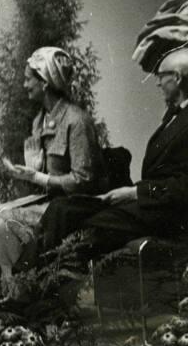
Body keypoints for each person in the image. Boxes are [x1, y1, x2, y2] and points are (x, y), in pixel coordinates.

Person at [0, 47, 106, 278]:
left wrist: (39, 176)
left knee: (3, 224)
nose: (24, 84)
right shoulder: (40, 121)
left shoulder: (76, 121)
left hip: (73, 207)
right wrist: (29, 171)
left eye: (28, 79)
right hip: (50, 202)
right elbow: (40, 183)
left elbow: (84, 180)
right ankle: (11, 284)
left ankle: (27, 284)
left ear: (45, 82)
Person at [68, 47, 188, 258]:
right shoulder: (174, 115)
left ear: (177, 78)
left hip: (172, 214)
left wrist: (134, 193)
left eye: (160, 76)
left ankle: (42, 284)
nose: (157, 83)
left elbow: (183, 185)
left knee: (91, 227)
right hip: (155, 204)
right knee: (69, 211)